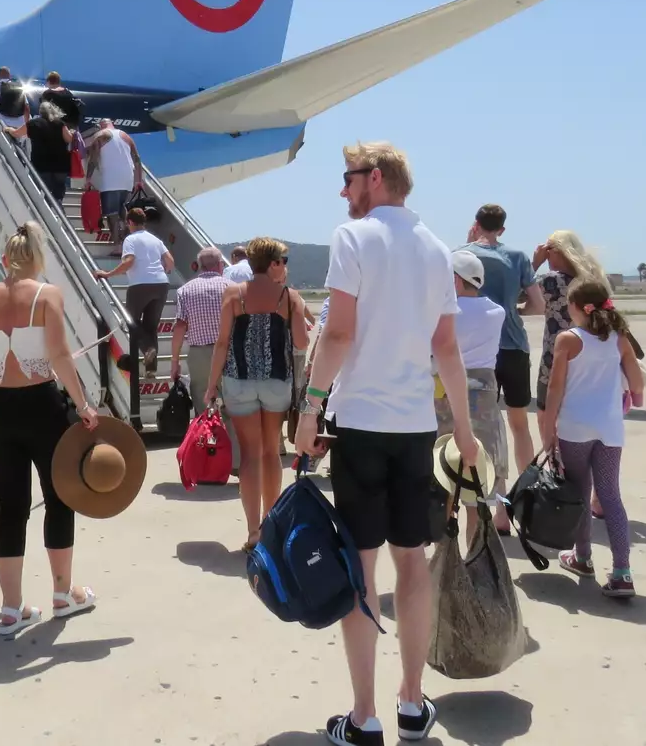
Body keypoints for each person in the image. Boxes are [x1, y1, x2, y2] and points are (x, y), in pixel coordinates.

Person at [298, 142, 479, 746]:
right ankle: (410, 703)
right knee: (412, 561)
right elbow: (447, 348)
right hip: (415, 428)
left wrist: (310, 404)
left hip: (359, 425)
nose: (343, 191)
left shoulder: (352, 239)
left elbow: (341, 332)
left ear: (374, 178)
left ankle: (364, 716)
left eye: (348, 179)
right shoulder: (435, 249)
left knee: (361, 567)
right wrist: (466, 428)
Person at [0, 223, 101, 635]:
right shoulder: (46, 295)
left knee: (12, 507)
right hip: (43, 406)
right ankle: (62, 595)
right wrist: (84, 405)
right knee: (60, 498)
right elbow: (58, 355)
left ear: (5, 259)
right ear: (37, 259)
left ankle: (10, 608)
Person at [538, 278, 645, 598]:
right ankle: (623, 572)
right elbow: (637, 382)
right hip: (610, 430)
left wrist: (547, 431)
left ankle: (582, 557)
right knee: (610, 496)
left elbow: (555, 388)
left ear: (574, 307)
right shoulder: (619, 338)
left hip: (575, 429)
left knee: (580, 493)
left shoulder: (568, 339)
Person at [203, 237, 308, 552]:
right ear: (274, 263)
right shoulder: (290, 297)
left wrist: (211, 386)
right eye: (283, 261)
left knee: (249, 455)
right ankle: (271, 524)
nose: (285, 267)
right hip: (276, 382)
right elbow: (302, 343)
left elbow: (222, 343)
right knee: (270, 453)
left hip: (239, 381)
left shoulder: (234, 294)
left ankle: (252, 532)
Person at [463, 204, 544, 495]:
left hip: (478, 350)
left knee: (484, 429)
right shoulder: (518, 257)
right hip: (513, 345)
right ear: (502, 228)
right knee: (519, 424)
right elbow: (539, 305)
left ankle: (494, 501)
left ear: (476, 223)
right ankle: (527, 493)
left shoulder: (463, 255)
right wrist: (514, 311)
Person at [437, 249, 508, 545]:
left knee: (443, 479)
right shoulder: (497, 312)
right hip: (485, 400)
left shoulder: (445, 313)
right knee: (477, 488)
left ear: (455, 279)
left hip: (445, 397)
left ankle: (445, 556)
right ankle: (474, 561)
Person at [532, 229, 607, 411]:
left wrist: (534, 264)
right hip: (589, 360)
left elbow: (517, 294)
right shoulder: (593, 280)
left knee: (548, 419)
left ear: (557, 251)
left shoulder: (552, 281)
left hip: (555, 358)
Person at [95, 207, 173, 379]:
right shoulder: (155, 240)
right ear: (143, 221)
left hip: (140, 285)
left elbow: (129, 261)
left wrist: (108, 274)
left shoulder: (130, 239)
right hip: (161, 284)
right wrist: (163, 271)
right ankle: (151, 368)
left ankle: (147, 350)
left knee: (132, 323)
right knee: (151, 326)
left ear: (130, 222)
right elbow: (170, 261)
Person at [169, 245, 233, 405]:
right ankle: (230, 430)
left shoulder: (185, 290)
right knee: (232, 402)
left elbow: (180, 327)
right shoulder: (232, 288)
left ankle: (206, 430)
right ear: (220, 264)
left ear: (199, 266)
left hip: (199, 353)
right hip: (230, 351)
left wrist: (175, 360)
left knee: (202, 400)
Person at [86, 118, 141, 258]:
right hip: (127, 179)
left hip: (110, 180)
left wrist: (88, 178)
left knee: (112, 215)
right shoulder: (125, 136)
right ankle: (129, 246)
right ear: (113, 124)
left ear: (101, 126)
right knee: (125, 214)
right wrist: (138, 180)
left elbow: (92, 158)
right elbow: (137, 158)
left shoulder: (101, 135)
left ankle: (118, 247)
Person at [6, 101, 75, 204]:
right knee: (58, 190)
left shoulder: (33, 123)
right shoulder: (59, 123)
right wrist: (72, 132)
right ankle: (58, 206)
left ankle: (48, 211)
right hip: (60, 164)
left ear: (40, 111)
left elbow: (17, 134)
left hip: (41, 164)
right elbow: (69, 139)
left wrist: (8, 129)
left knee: (43, 190)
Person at [0, 66, 30, 132]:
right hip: (19, 126)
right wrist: (27, 124)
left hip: (2, 125)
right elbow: (26, 108)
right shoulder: (18, 87)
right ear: (9, 75)